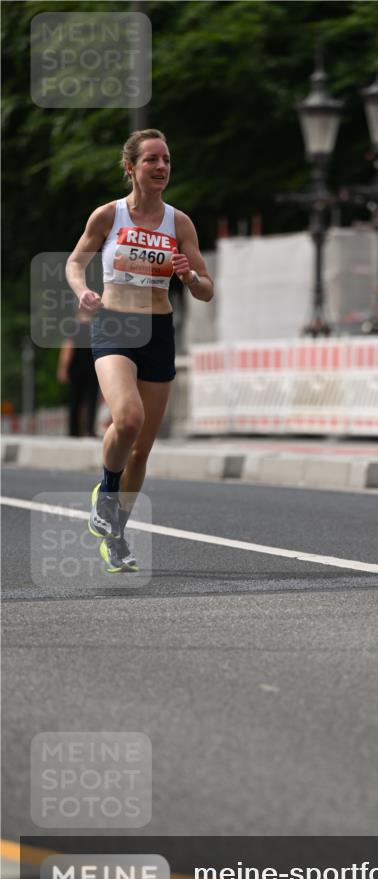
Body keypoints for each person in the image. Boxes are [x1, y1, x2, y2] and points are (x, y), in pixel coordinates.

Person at [66, 128, 214, 572]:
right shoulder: (108, 216)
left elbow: (207, 290)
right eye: (151, 159)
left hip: (158, 329)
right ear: (131, 167)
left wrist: (189, 278)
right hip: (114, 323)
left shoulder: (179, 222)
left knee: (142, 449)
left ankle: (117, 536)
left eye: (166, 159)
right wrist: (82, 291)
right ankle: (106, 492)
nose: (161, 167)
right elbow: (75, 261)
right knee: (127, 419)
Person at [56, 314, 99, 437]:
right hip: (93, 368)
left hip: (76, 369)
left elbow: (67, 348)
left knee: (75, 400)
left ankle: (73, 431)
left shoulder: (73, 328)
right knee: (92, 401)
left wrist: (62, 368)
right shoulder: (96, 328)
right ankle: (90, 430)